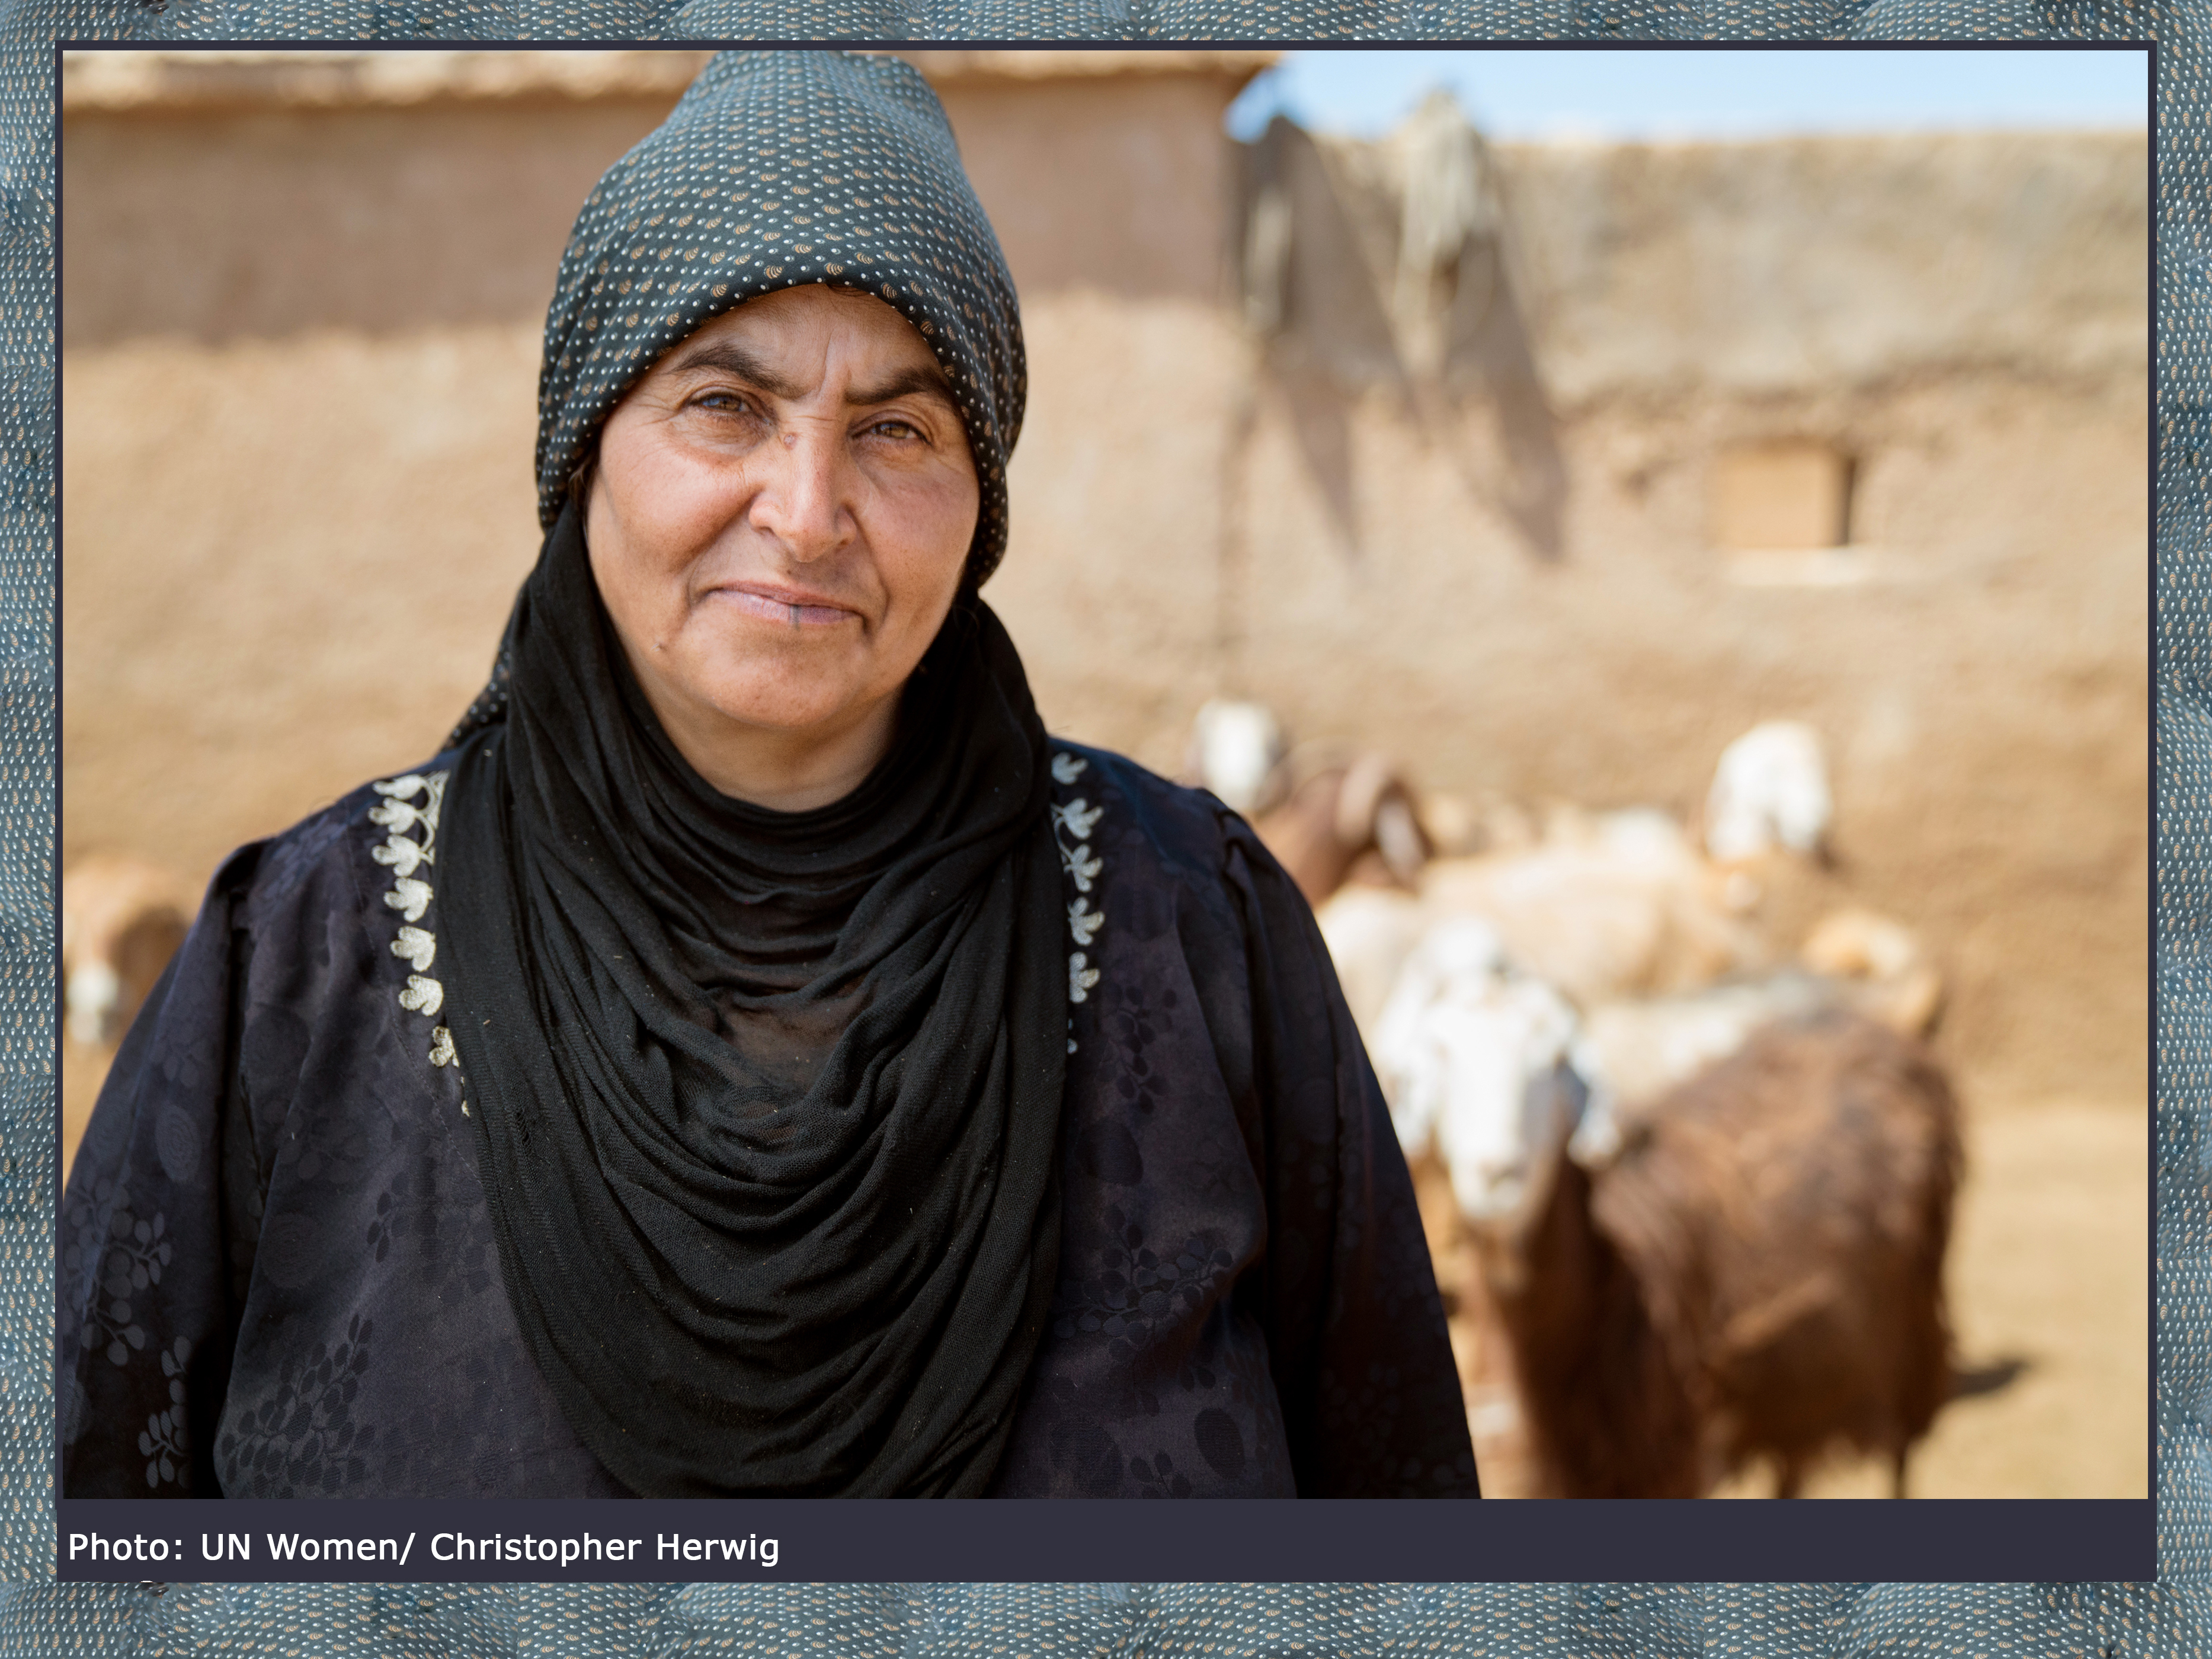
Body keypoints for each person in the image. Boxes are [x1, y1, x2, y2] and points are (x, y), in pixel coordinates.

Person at [58, 50, 1477, 1500]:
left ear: (979, 500)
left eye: (896, 429)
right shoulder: (291, 968)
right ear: (585, 445)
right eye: (725, 406)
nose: (806, 516)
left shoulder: (1201, 931)